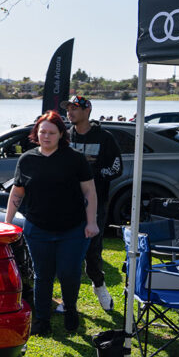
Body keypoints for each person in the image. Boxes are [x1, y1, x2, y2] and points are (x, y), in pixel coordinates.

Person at [5, 111, 98, 337]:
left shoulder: (74, 158)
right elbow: (17, 192)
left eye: (51, 132)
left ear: (60, 134)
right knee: (42, 275)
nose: (46, 136)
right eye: (42, 132)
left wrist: (91, 222)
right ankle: (42, 320)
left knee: (69, 272)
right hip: (37, 228)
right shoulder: (27, 159)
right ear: (36, 133)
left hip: (72, 228)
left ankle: (70, 309)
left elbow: (89, 190)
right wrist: (8, 222)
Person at [62, 95, 122, 311]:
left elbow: (117, 168)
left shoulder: (104, 137)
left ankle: (99, 286)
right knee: (68, 251)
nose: (70, 112)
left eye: (74, 108)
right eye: (68, 108)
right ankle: (70, 300)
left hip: (95, 203)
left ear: (88, 110)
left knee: (92, 249)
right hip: (68, 203)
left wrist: (92, 173)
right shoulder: (65, 136)